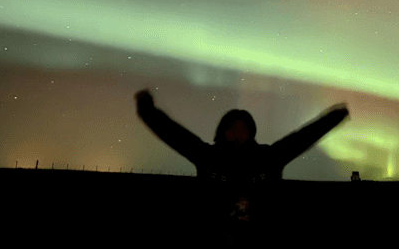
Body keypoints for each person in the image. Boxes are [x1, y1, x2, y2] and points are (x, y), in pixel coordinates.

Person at [135, 89, 349, 246]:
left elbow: (301, 138)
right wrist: (148, 112)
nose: (237, 131)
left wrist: (332, 118)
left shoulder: (269, 158)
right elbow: (175, 135)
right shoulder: (208, 156)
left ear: (251, 133)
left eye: (243, 127)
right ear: (222, 132)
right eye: (232, 127)